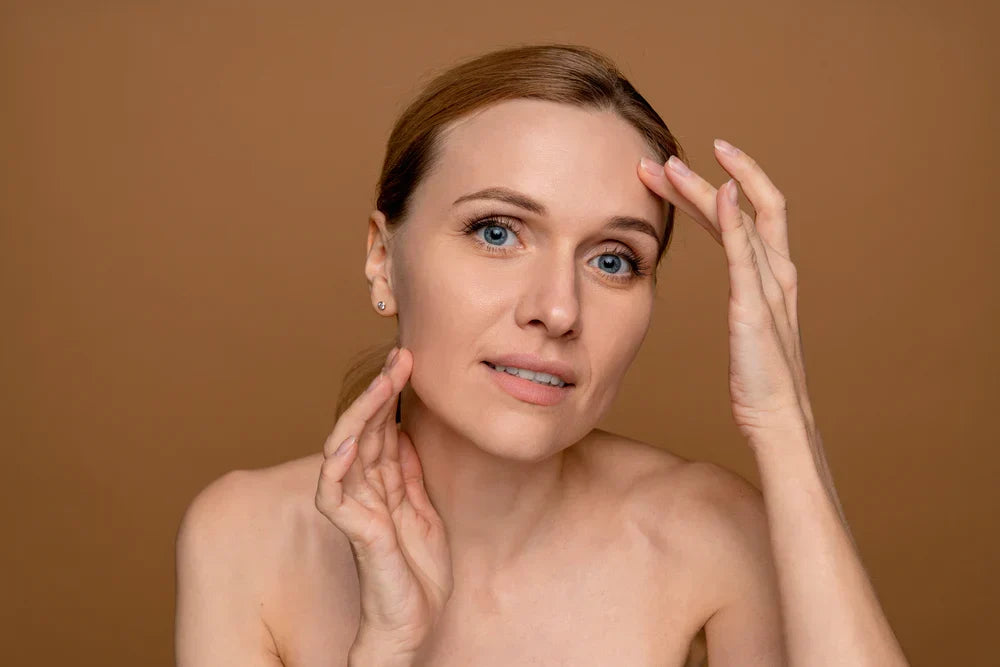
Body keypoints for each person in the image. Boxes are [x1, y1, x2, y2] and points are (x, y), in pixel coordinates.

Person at [174, 43, 909, 666]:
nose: (557, 310)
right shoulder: (246, 537)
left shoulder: (711, 536)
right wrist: (388, 645)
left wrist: (785, 421)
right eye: (497, 231)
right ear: (380, 257)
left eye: (614, 259)